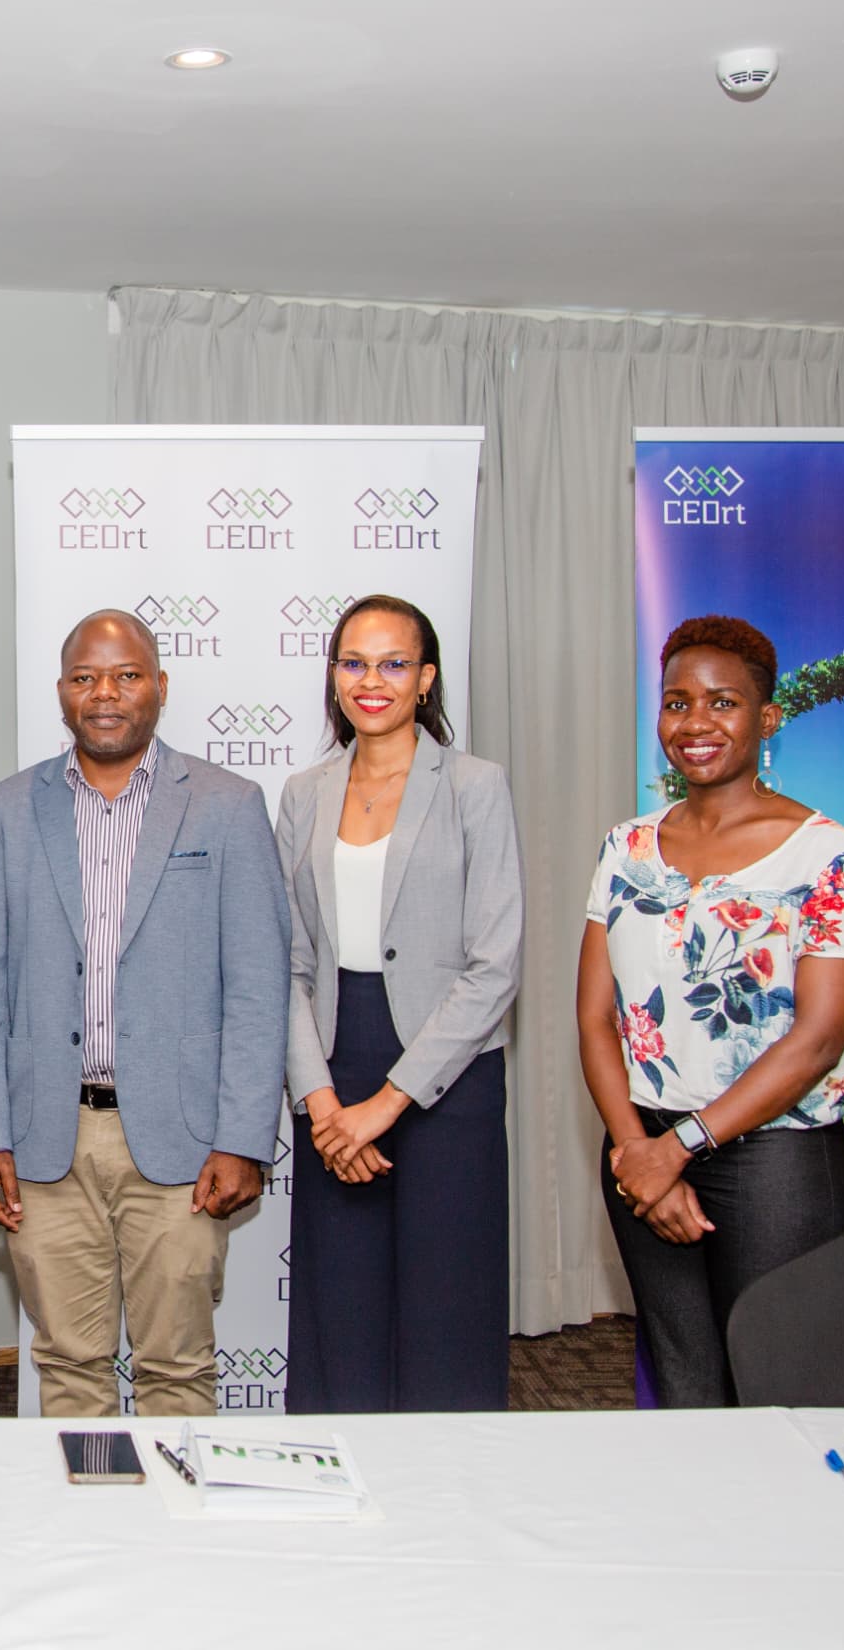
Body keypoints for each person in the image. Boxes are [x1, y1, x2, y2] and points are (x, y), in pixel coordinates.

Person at [0, 608, 289, 1417]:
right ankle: (93, 1536)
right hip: (45, 1138)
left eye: (126, 675)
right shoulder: (6, 810)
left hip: (183, 1141)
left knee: (178, 1369)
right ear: (62, 693)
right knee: (69, 1368)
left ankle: (177, 1544)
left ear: (160, 688)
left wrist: (243, 1138)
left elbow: (257, 986)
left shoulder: (226, 805)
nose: (105, 693)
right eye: (84, 677)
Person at [578, 614, 844, 1407]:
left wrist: (679, 1147)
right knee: (684, 1383)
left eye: (722, 702)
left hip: (776, 1159)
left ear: (766, 717)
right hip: (639, 1147)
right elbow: (595, 1016)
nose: (696, 724)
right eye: (677, 704)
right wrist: (638, 1149)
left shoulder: (825, 852)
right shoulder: (626, 847)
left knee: (779, 1386)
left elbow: (817, 1041)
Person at [273, 595, 522, 1413]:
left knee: (447, 1309)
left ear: (426, 678)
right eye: (353, 662)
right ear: (334, 678)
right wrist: (321, 1106)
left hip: (447, 1078)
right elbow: (286, 961)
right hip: (333, 1067)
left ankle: (450, 1506)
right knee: (338, 1309)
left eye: (392, 663)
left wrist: (384, 1105)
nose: (370, 680)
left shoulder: (476, 787)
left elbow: (495, 966)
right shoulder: (304, 792)